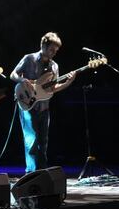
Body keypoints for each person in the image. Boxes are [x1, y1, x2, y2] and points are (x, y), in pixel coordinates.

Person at [10, 32, 76, 173]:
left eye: (56, 51)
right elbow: (13, 74)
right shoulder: (29, 59)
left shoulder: (54, 66)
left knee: (43, 143)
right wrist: (22, 80)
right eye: (52, 49)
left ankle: (42, 174)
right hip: (28, 105)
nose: (54, 53)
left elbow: (52, 89)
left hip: (44, 107)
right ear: (43, 46)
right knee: (31, 141)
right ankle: (31, 174)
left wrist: (68, 82)